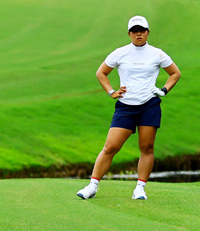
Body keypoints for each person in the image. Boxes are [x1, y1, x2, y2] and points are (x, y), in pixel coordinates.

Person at [77, 15, 181, 201]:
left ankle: (140, 188)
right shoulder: (120, 53)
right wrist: (111, 92)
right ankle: (92, 186)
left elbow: (175, 73)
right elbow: (101, 73)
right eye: (135, 31)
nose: (138, 34)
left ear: (148, 32)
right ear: (129, 34)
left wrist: (164, 90)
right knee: (111, 146)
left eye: (142, 30)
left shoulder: (157, 53)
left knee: (146, 148)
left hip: (149, 104)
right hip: (125, 106)